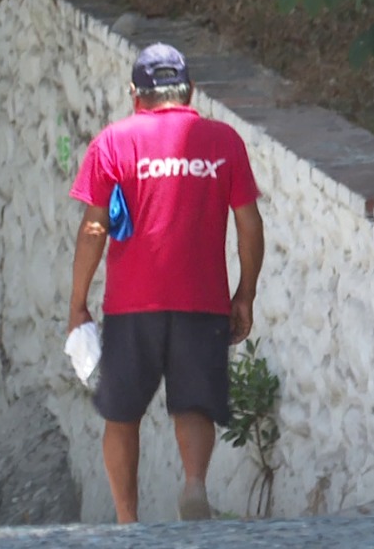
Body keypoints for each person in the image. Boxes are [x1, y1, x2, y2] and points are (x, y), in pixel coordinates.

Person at [68, 43, 265, 523]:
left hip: (132, 303)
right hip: (202, 300)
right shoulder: (222, 142)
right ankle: (194, 485)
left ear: (135, 94)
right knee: (193, 404)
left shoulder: (114, 143)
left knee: (121, 415)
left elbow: (95, 228)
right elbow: (249, 224)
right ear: (191, 91)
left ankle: (126, 520)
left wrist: (77, 304)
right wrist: (245, 293)